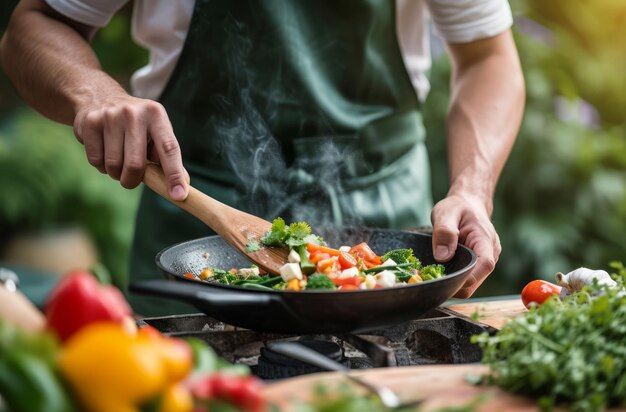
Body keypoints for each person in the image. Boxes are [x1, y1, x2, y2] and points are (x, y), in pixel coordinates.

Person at [0, 0, 524, 316]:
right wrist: (94, 95)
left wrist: (471, 190)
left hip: (389, 228)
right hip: (199, 230)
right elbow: (36, 24)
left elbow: (488, 56)